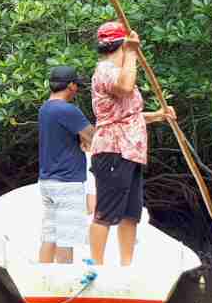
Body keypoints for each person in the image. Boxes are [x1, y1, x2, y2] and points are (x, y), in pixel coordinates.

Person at [87, 22, 175, 266]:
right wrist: (133, 53)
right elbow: (125, 88)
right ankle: (96, 266)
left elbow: (128, 114)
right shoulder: (106, 70)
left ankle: (126, 266)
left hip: (130, 153)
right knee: (105, 213)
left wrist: (159, 115)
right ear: (122, 46)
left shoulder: (118, 70)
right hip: (114, 151)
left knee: (130, 214)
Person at [37, 66, 96, 264]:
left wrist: (80, 140)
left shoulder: (45, 108)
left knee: (49, 236)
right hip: (67, 184)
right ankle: (64, 285)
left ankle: (42, 276)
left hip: (47, 182)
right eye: (76, 86)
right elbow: (94, 138)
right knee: (66, 240)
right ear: (70, 85)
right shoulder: (68, 110)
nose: (76, 90)